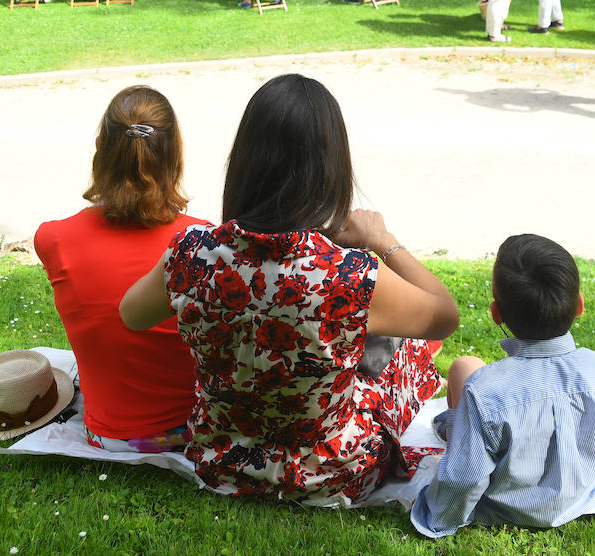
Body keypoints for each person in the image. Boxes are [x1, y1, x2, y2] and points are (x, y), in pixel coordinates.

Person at [120, 74, 459, 504]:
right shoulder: (350, 274)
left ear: (244, 160)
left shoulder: (191, 254)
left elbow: (131, 314)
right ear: (331, 166)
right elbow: (444, 315)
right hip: (330, 474)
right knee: (403, 350)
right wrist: (382, 240)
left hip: (221, 461)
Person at [410, 234, 595, 538]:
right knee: (465, 371)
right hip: (581, 500)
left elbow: (464, 479)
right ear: (579, 306)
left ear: (496, 313)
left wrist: (438, 518)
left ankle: (450, 427)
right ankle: (451, 427)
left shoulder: (484, 390)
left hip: (500, 510)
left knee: (464, 367)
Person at [34, 87, 205, 452]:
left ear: (101, 147)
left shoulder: (54, 239)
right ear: (175, 152)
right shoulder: (203, 241)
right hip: (191, 430)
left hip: (107, 437)